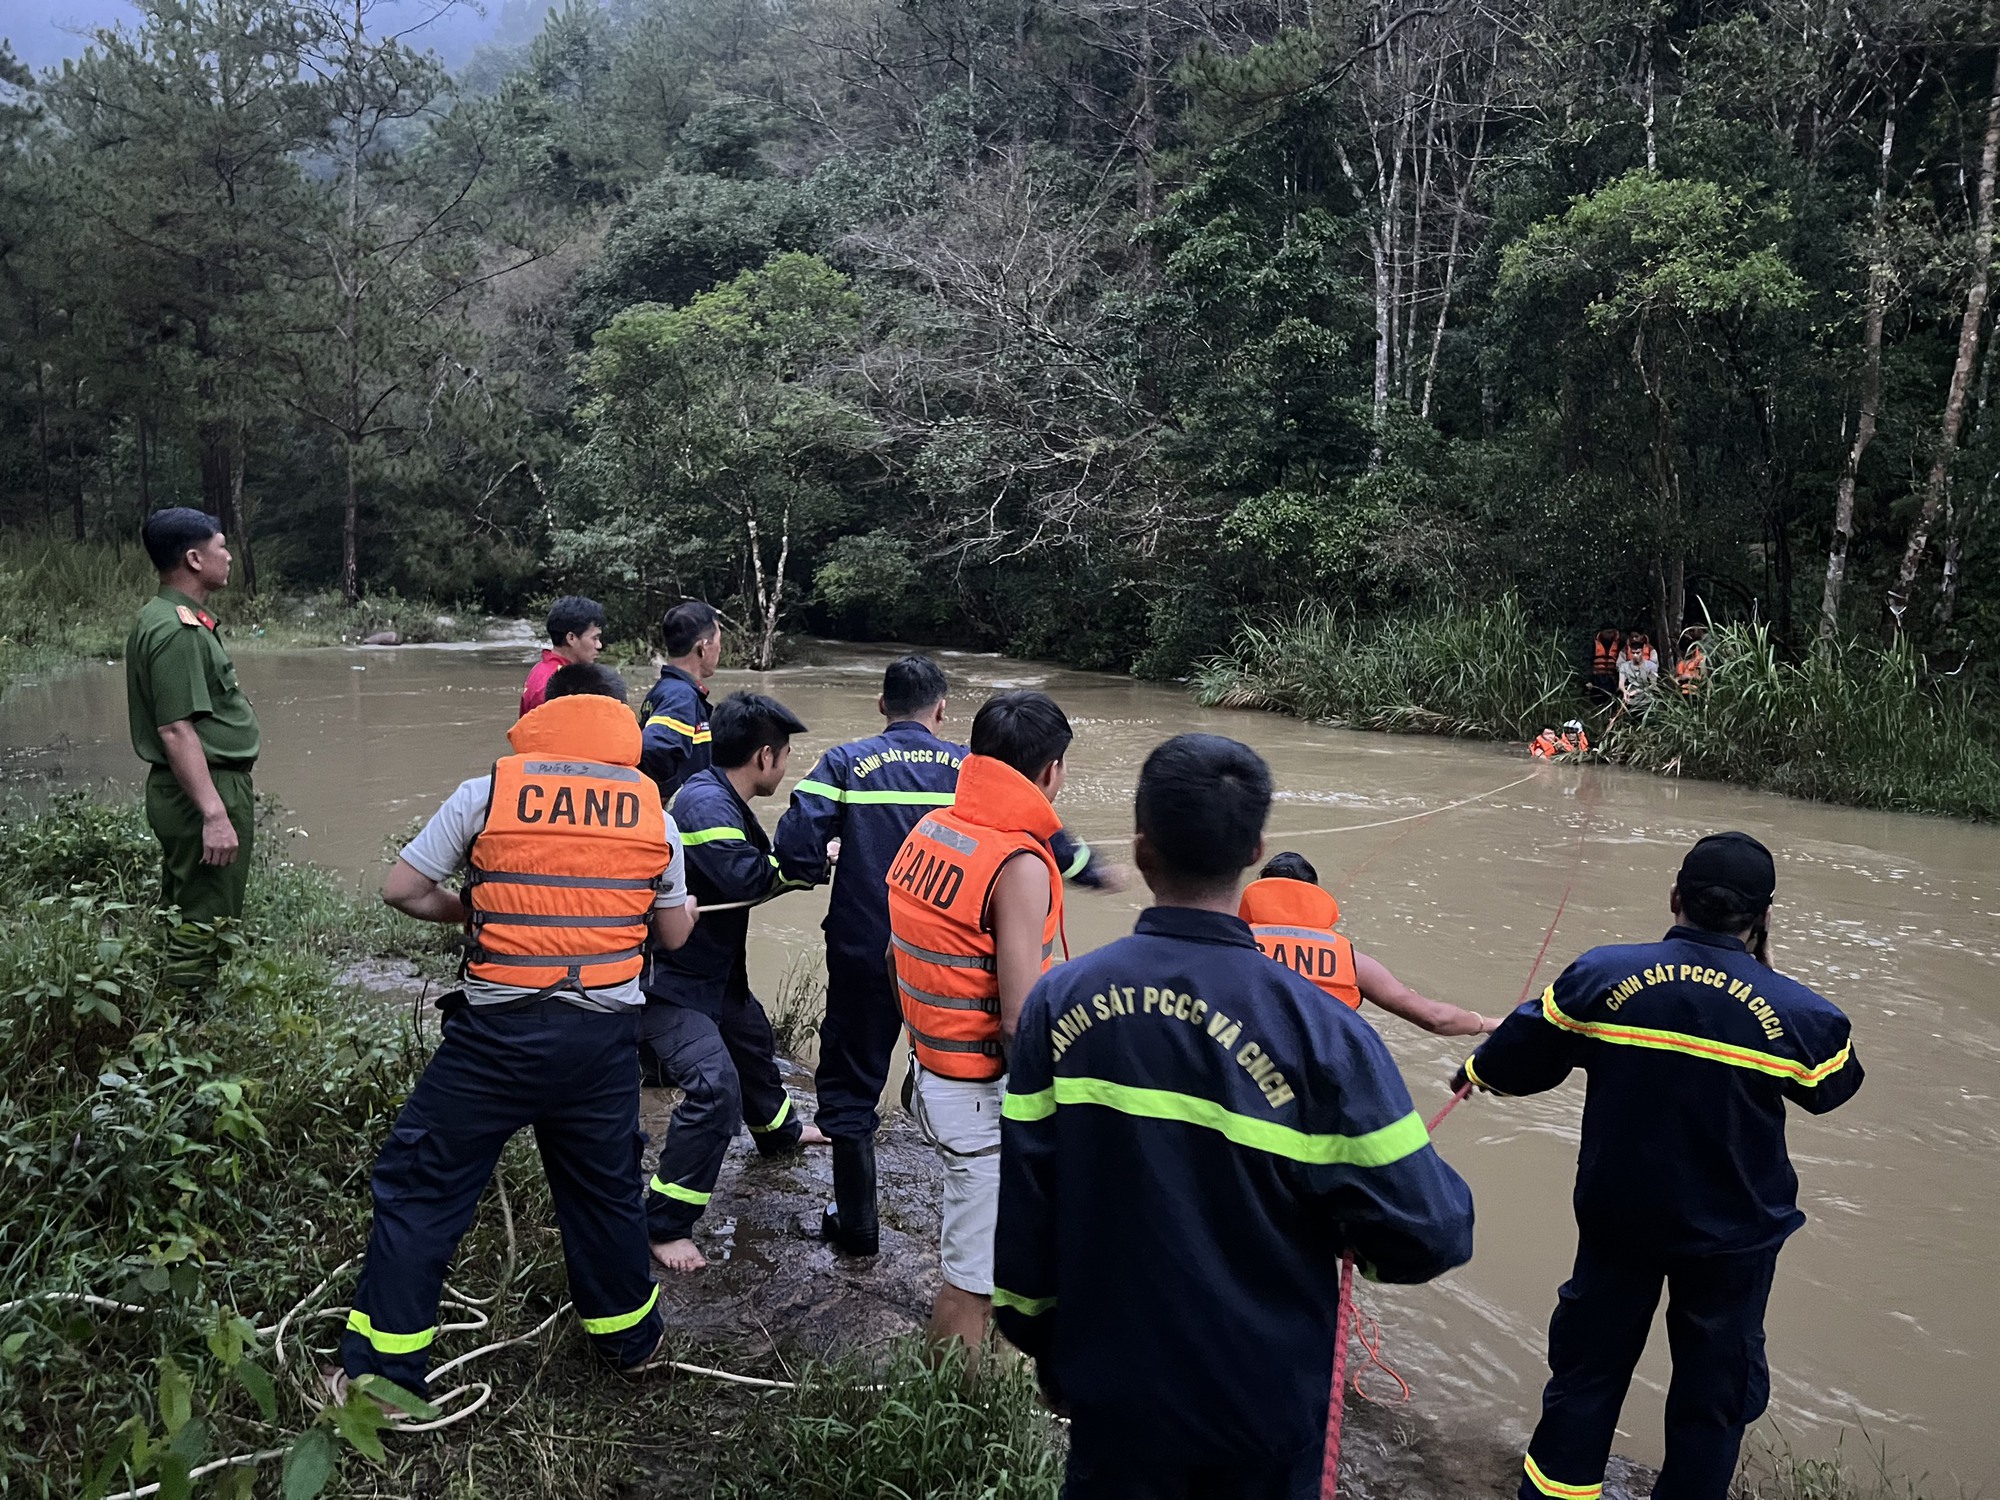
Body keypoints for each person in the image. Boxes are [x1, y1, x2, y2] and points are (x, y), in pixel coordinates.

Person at [993, 734, 1476, 1497]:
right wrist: (1351, 1237)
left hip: (1113, 1391)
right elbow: (1434, 1229)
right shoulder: (1322, 1029)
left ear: (1143, 849)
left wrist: (1043, 1341)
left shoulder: (1060, 1002)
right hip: (1264, 1402)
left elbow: (1027, 1198)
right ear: (1255, 850)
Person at [1456, 832, 1863, 1500]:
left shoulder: (1602, 974)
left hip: (1621, 1220)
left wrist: (1474, 1072)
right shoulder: (1800, 1015)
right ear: (1762, 916)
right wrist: (1761, 976)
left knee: (1586, 1379)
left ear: (1675, 897)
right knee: (1712, 1397)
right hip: (1732, 1238)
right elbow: (1832, 1088)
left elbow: (1520, 1057)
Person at [338, 663, 696, 1397]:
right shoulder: (654, 814)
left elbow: (401, 889)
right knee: (604, 1194)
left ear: (543, 713)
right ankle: (630, 1343)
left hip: (495, 1038)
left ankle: (381, 1379)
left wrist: (473, 912)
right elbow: (674, 933)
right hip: (600, 1046)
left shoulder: (489, 793)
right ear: (620, 722)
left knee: (422, 1187)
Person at [772, 655, 1128, 1258]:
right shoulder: (976, 768)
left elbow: (796, 842)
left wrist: (816, 866)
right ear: (942, 709)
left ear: (882, 705)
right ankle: (973, 1212)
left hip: (869, 948)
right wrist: (1096, 870)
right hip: (957, 969)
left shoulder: (844, 762)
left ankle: (857, 1223)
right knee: (958, 1073)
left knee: (853, 1082)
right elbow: (1046, 839)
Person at [885, 689, 1078, 1363]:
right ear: (1051, 772)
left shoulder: (932, 829)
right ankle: (948, 1432)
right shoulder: (1018, 865)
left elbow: (895, 958)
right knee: (973, 1286)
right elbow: (1022, 1019)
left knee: (980, 1252)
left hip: (930, 1074)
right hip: (976, 1099)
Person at [641, 691, 828, 1273]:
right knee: (716, 1088)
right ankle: (664, 1223)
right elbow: (742, 874)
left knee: (750, 1036)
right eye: (788, 754)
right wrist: (807, 866)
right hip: (667, 979)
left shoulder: (717, 795)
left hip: (711, 970)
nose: (788, 764)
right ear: (765, 757)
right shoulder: (702, 803)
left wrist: (814, 861)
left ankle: (779, 1132)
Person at [125, 508, 261, 982]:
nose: (228, 556)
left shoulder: (171, 617)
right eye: (221, 546)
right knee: (208, 920)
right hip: (203, 790)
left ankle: (172, 1017)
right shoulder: (176, 630)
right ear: (194, 558)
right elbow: (175, 730)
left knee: (186, 910)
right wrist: (215, 813)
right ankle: (191, 1025)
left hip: (198, 787)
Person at [1240, 852, 1500, 1036]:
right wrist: (1486, 1024)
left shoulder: (1229, 946)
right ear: (1315, 896)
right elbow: (1433, 1018)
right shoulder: (1349, 960)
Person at [639, 600, 722, 802]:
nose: (720, 649)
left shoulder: (666, 689)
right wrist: (674, 797)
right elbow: (652, 749)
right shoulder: (681, 696)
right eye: (719, 641)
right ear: (703, 647)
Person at [520, 595, 607, 716]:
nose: (599, 645)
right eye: (594, 638)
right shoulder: (560, 684)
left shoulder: (540, 670)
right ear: (571, 638)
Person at [1618, 631, 1659, 713]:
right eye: (1633, 653)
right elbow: (1621, 684)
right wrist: (1624, 691)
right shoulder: (1624, 666)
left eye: (1638, 653)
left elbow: (1653, 684)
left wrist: (1639, 691)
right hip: (1630, 701)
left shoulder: (1651, 666)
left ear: (1642, 652)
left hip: (1647, 701)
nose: (1635, 655)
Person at [1588, 628, 1622, 706]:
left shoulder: (1619, 644)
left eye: (1611, 633)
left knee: (1611, 702)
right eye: (1607, 632)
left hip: (1612, 679)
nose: (1609, 635)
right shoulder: (1593, 644)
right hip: (1596, 678)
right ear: (1602, 632)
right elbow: (1587, 662)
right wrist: (1588, 679)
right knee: (1596, 702)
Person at [1676, 625, 1708, 699]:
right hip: (1682, 694)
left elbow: (1704, 678)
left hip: (1695, 694)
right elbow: (1677, 677)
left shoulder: (1700, 659)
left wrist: (1689, 677)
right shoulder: (1682, 662)